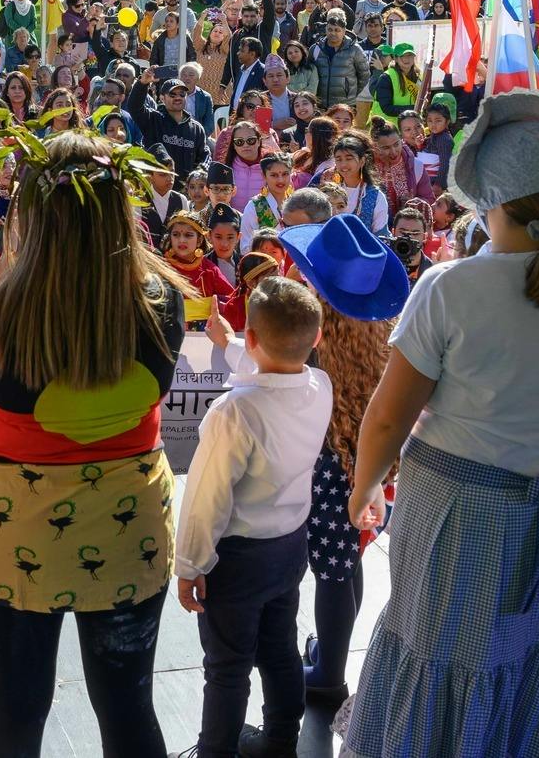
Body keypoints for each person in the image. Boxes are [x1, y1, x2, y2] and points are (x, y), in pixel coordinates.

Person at [340, 89, 539, 758]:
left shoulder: (450, 287)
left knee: (445, 657)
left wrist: (363, 488)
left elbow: (387, 416)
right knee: (538, 661)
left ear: (488, 201)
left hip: (462, 513)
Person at [0, 132, 187, 758]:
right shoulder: (161, 304)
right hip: (129, 525)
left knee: (14, 715)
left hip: (16, 533)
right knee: (128, 710)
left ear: (30, 216)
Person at [174, 276, 331, 758]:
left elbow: (206, 499)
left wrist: (188, 565)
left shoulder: (233, 413)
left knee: (227, 666)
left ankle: (215, 750)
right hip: (289, 546)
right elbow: (278, 369)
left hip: (238, 558)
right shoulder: (319, 384)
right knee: (279, 649)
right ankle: (282, 740)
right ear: (317, 338)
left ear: (254, 336)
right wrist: (235, 342)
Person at [268, 213, 407, 711]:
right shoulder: (386, 333)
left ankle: (327, 675)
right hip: (367, 465)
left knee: (330, 569)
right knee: (349, 563)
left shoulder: (314, 340)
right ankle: (330, 651)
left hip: (326, 467)